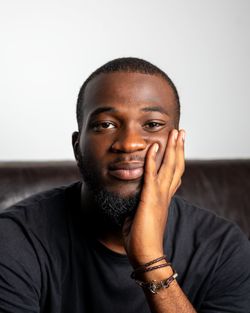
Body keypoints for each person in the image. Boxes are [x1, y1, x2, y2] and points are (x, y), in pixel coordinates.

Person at [0, 57, 250, 313]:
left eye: (152, 124)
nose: (129, 144)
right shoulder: (14, 240)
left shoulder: (223, 250)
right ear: (78, 149)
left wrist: (150, 261)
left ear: (178, 145)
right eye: (105, 124)